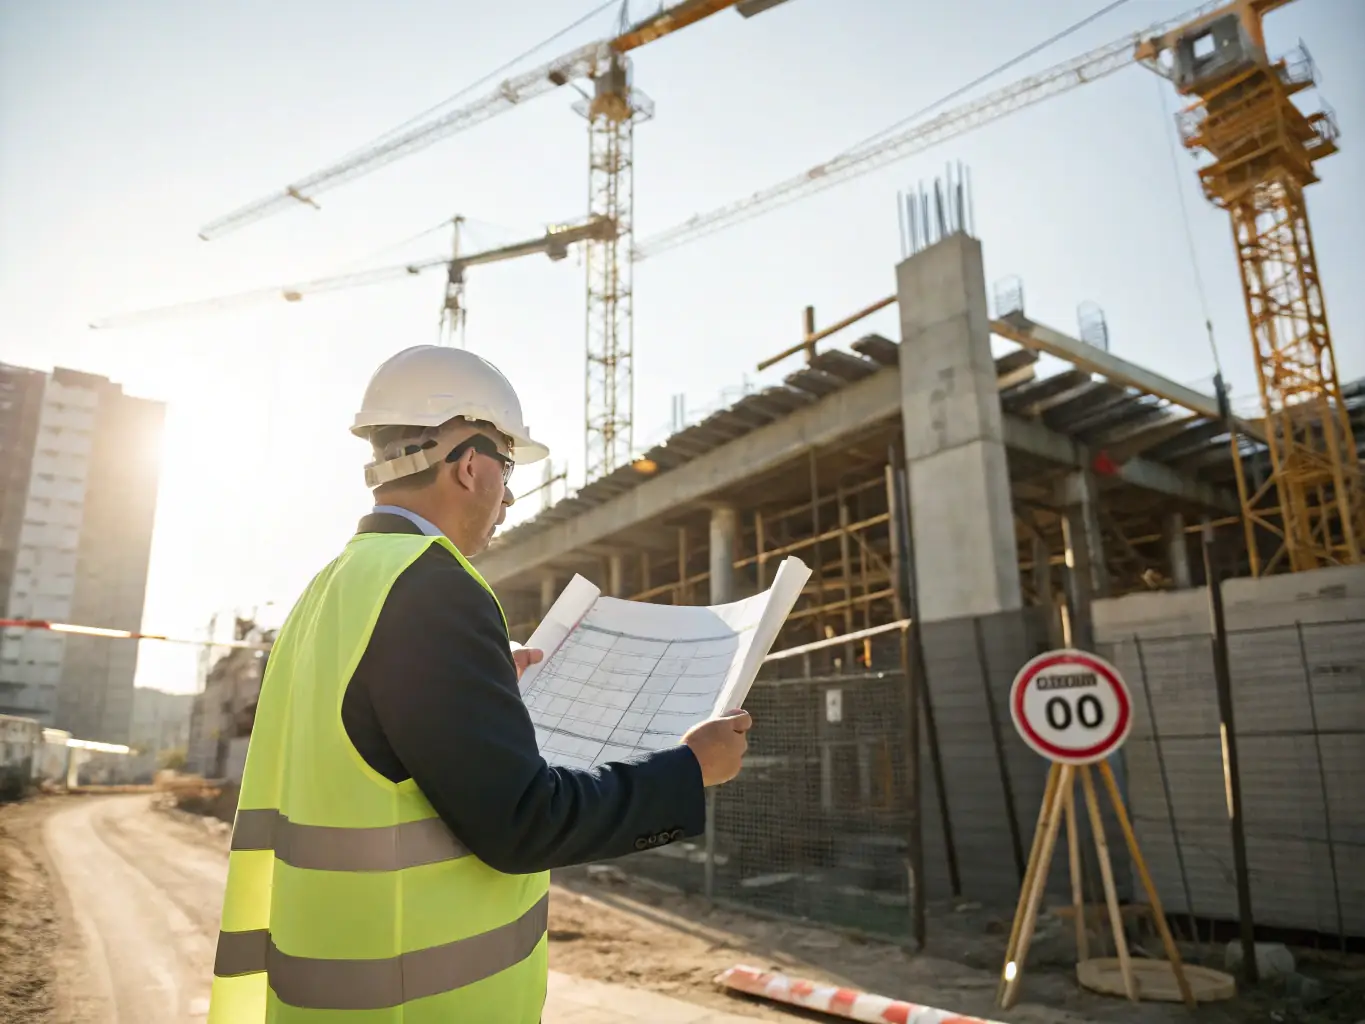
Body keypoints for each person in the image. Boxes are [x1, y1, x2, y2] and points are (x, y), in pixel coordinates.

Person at [208, 345, 753, 1023]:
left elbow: (378, 750)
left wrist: (485, 689)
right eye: (508, 469)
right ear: (470, 465)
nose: (508, 497)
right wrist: (689, 769)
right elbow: (523, 824)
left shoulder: (331, 589)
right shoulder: (434, 587)